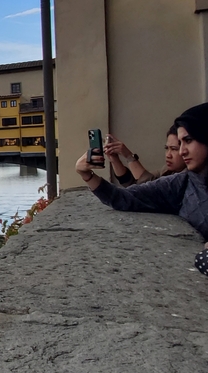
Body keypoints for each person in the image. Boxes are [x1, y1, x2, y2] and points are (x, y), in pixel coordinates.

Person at [75, 103, 208, 274]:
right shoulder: (182, 182)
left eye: (188, 141)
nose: (182, 151)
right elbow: (124, 198)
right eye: (179, 144)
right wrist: (86, 174)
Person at [103, 125, 186, 185]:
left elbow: (150, 187)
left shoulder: (187, 176)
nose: (168, 155)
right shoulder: (167, 170)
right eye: (166, 148)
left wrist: (129, 156)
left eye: (174, 149)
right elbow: (134, 185)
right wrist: (114, 159)